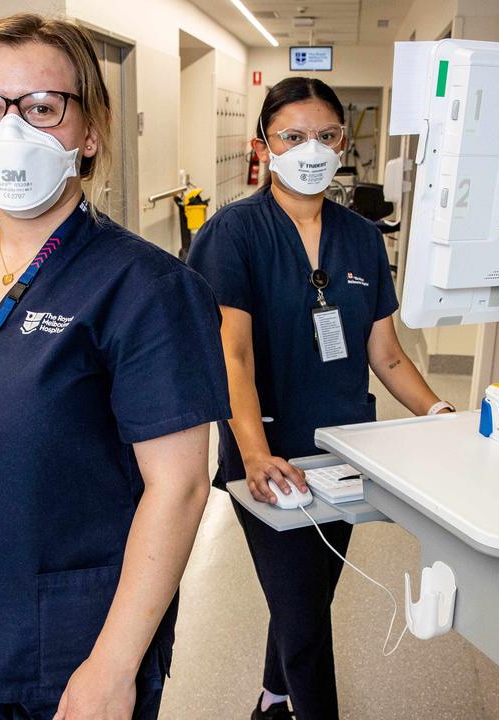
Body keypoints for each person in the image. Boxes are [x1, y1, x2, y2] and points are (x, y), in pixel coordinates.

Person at [0, 14, 230, 720]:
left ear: (91, 131)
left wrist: (112, 666)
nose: (12, 130)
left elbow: (181, 488)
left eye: (43, 108)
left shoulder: (146, 287)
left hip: (73, 641)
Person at [186, 77, 455, 720]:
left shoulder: (362, 238)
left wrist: (442, 417)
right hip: (270, 451)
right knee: (304, 615)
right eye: (293, 136)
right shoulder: (233, 235)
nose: (313, 149)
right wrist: (253, 454)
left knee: (307, 594)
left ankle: (273, 698)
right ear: (264, 146)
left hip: (346, 447)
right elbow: (234, 356)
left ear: (343, 143)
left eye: (327, 135)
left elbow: (385, 354)